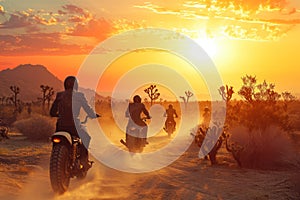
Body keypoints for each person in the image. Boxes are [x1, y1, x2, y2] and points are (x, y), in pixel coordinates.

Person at [50, 76, 99, 169]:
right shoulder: (79, 95)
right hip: (74, 125)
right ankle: (84, 161)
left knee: (56, 141)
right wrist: (93, 115)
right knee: (86, 137)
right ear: (76, 85)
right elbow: (87, 109)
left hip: (60, 126)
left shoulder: (59, 95)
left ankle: (55, 160)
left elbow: (52, 112)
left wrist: (59, 115)